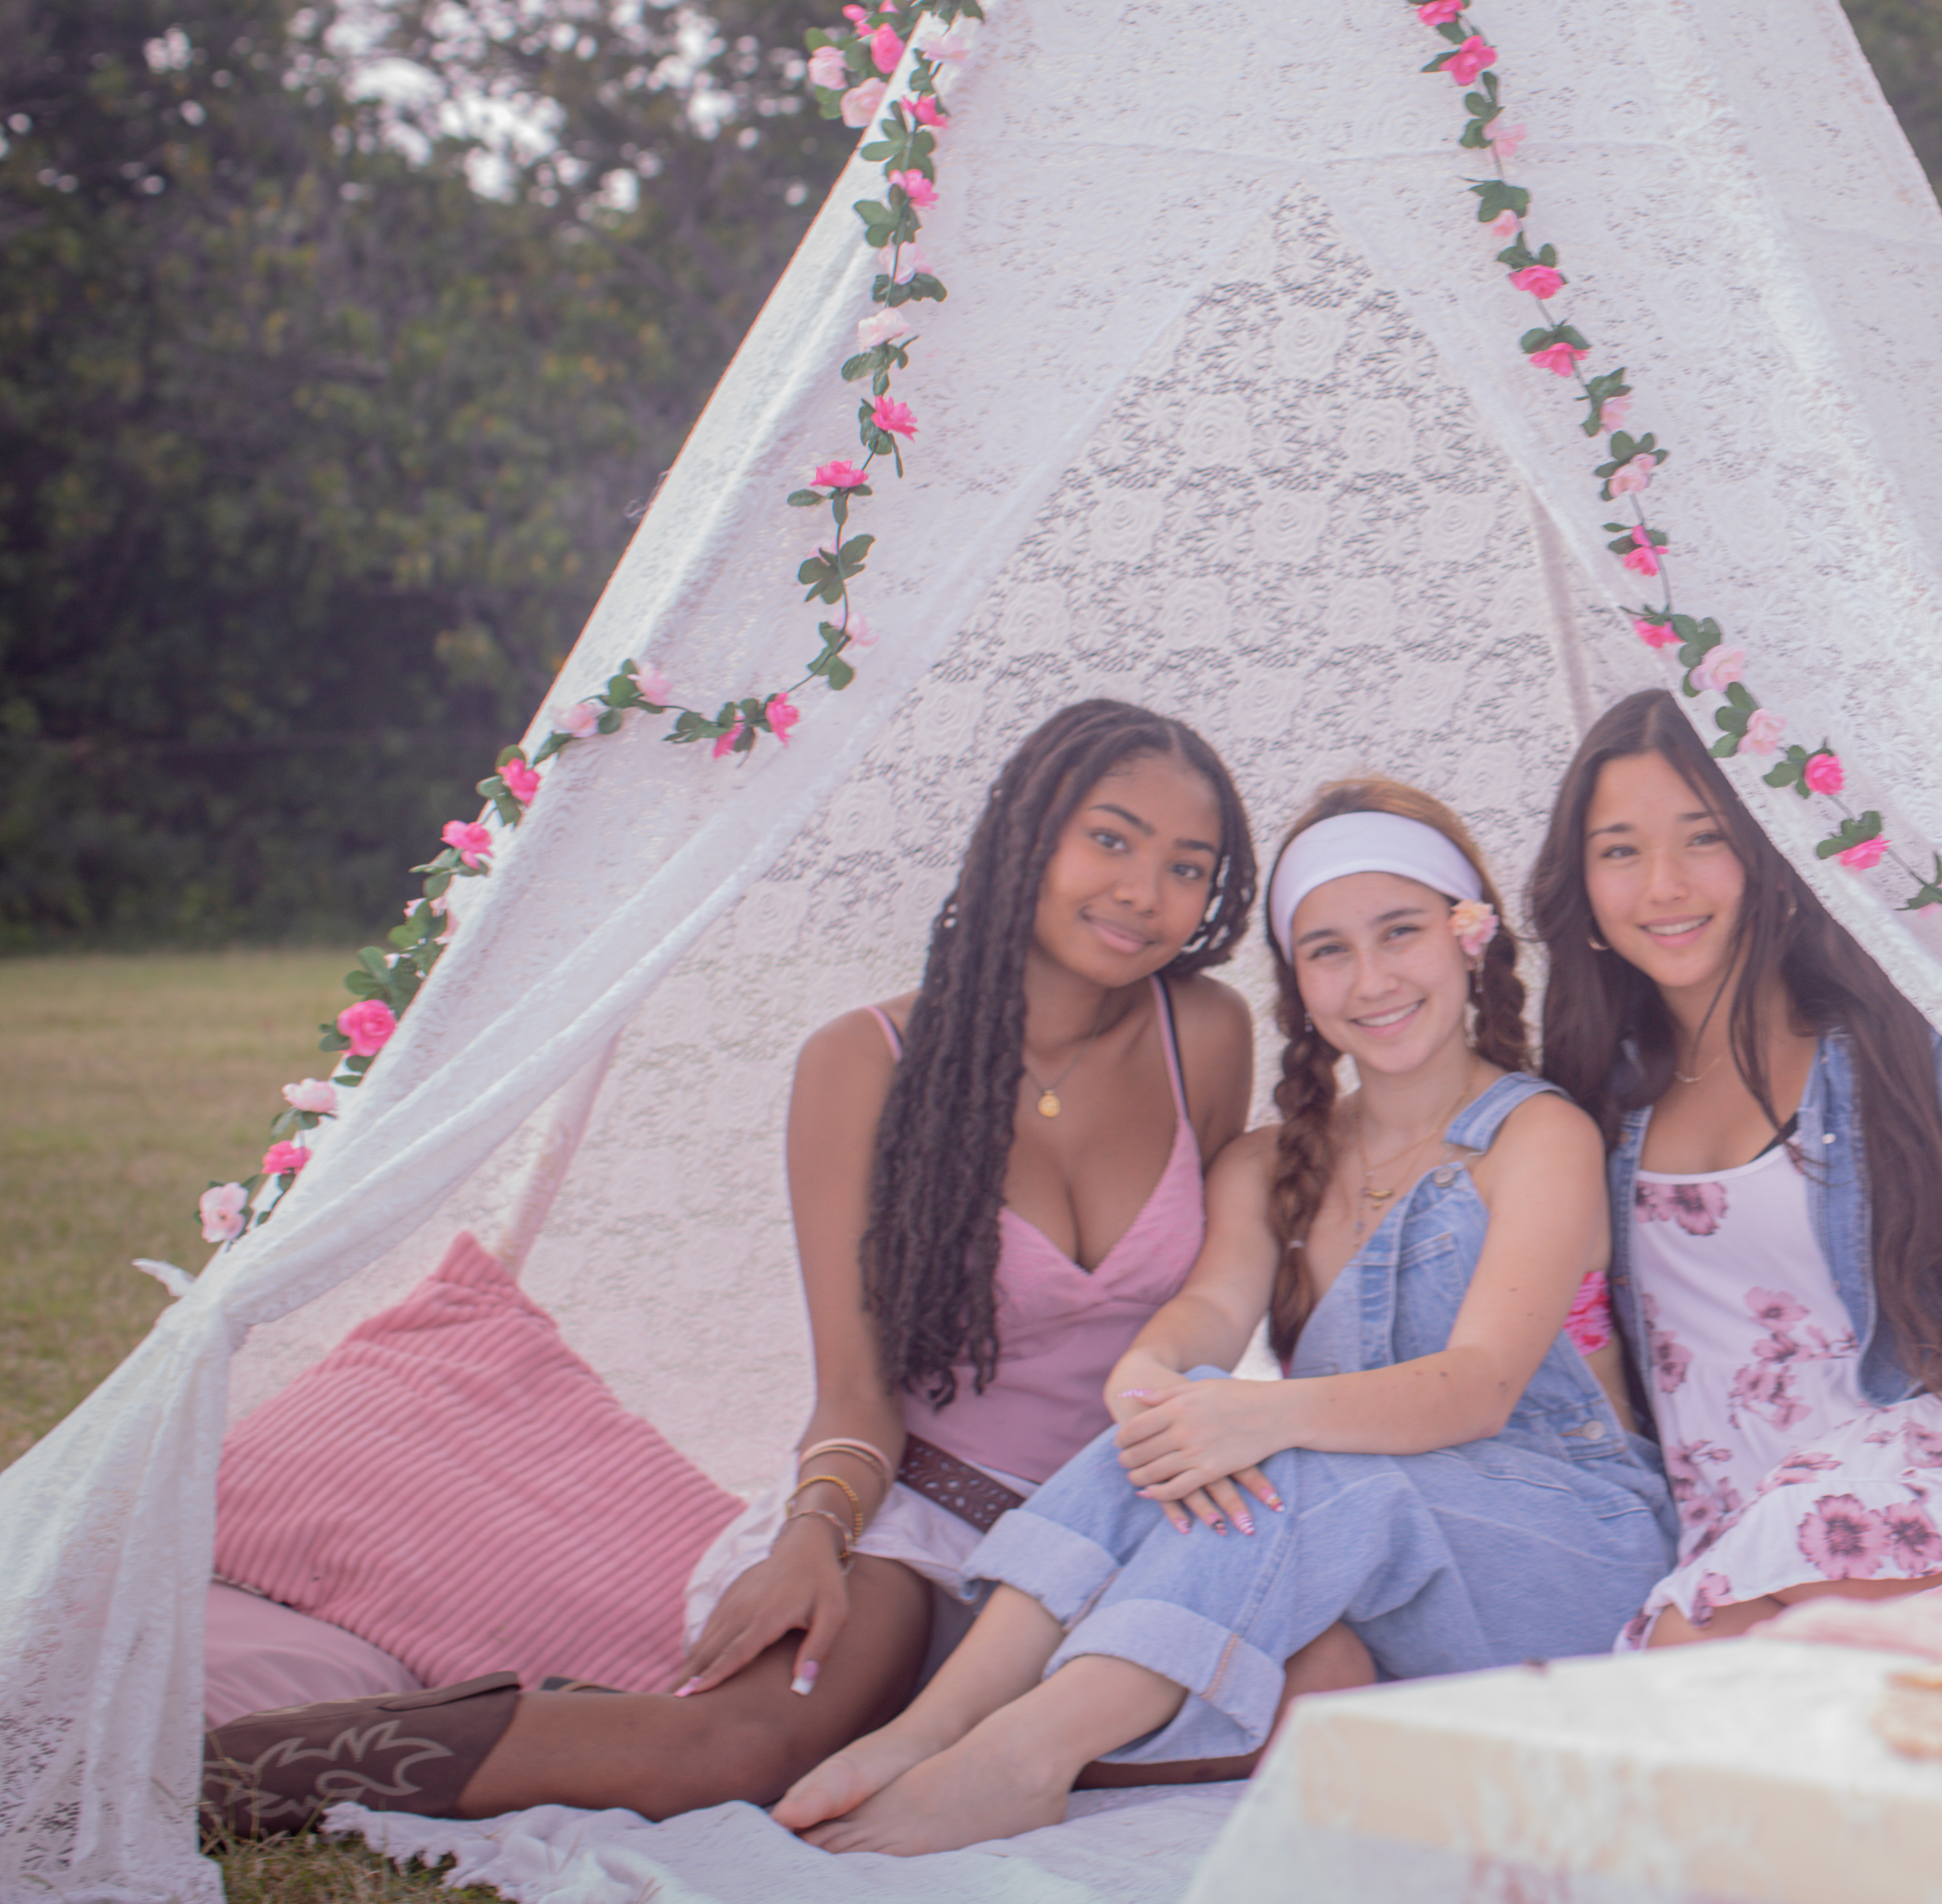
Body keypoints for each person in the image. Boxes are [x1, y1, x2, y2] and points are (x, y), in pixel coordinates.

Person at [199, 699, 1299, 1833]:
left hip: (1111, 1531)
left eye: (1187, 866)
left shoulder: (1201, 1031)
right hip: (917, 1524)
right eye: (1111, 839)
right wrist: (813, 1538)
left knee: (1280, 1726)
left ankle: (929, 1728)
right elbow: (857, 1391)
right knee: (735, 1753)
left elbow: (1207, 1304)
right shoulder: (861, 1063)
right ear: (1029, 831)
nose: (1143, 892)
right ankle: (232, 1770)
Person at [774, 779, 1673, 1855]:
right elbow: (1206, 1309)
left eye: (1402, 933)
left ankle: (1022, 1758)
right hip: (1390, 1564)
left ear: (1468, 935)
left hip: (1565, 1545)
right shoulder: (1269, 1161)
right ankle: (926, 1730)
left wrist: (1265, 1418)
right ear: (1298, 981)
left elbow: (1478, 1384)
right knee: (1188, 1410)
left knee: (1293, 1451)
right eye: (1329, 950)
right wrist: (1152, 1374)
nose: (1373, 978)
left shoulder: (1535, 1135)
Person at [1526, 691, 1942, 1646]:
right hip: (1728, 1541)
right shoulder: (1586, 1107)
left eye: (1702, 838)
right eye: (1620, 849)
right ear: (1582, 884)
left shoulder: (1907, 1054)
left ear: (1771, 856)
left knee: (1689, 1648)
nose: (1663, 883)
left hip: (1911, 1502)